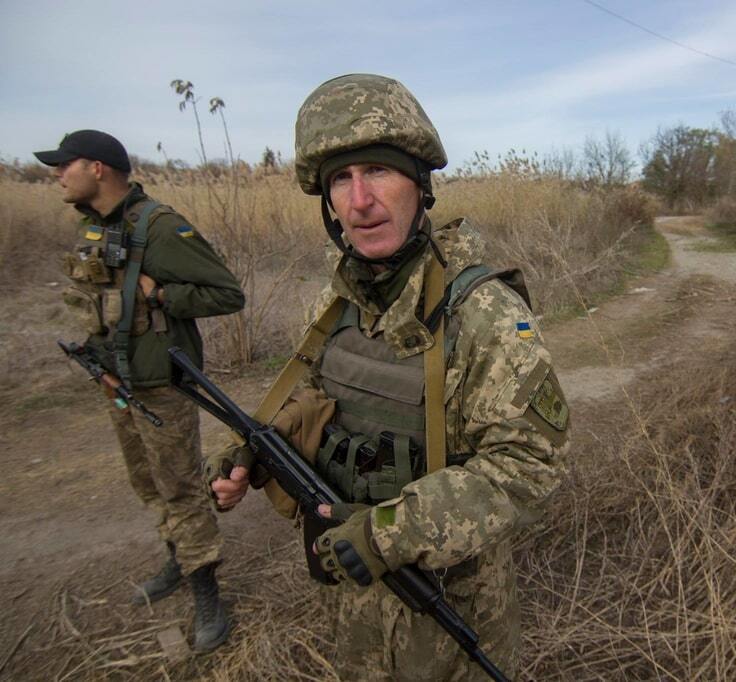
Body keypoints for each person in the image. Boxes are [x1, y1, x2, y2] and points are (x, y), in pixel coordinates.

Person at [207, 74, 570, 679]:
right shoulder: (333, 303)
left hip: (451, 606)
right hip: (352, 601)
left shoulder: (484, 312)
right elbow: (318, 399)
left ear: (420, 185)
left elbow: (529, 463)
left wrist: (387, 535)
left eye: (377, 171)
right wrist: (253, 449)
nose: (359, 201)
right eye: (340, 181)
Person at [35, 130, 245, 653]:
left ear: (99, 168)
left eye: (66, 165)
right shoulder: (93, 227)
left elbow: (227, 293)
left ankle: (206, 595)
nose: (57, 175)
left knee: (180, 490)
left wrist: (161, 292)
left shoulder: (159, 227)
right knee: (147, 484)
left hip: (161, 388)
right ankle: (177, 561)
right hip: (117, 381)